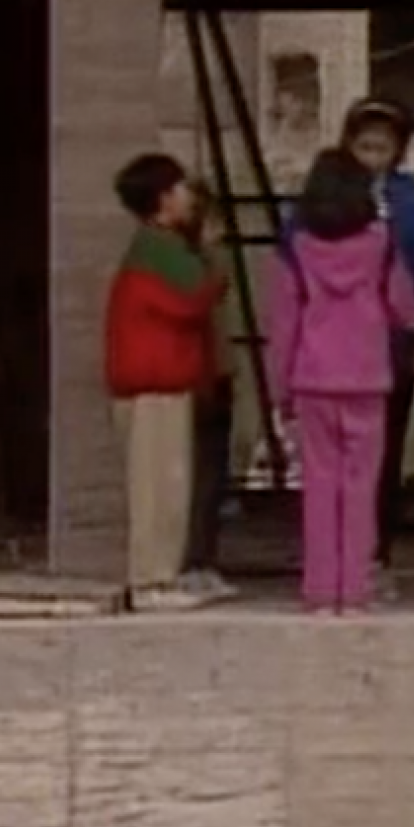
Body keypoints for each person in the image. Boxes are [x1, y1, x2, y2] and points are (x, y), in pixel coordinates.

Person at [263, 147, 414, 614]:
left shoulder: (294, 251)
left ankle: (319, 591)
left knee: (319, 484)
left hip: (313, 376)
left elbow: (283, 324)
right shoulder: (382, 244)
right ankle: (354, 589)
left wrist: (281, 388)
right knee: (361, 486)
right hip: (367, 375)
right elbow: (403, 305)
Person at [336, 97, 414, 597]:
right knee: (338, 460)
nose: (372, 157)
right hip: (338, 347)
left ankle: (376, 551)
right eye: (363, 147)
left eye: (382, 147)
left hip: (394, 348)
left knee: (383, 456)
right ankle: (336, 557)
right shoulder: (328, 197)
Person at [104, 153, 225, 612]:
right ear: (163, 198)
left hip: (152, 381)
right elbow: (194, 297)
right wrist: (211, 254)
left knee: (161, 482)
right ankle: (152, 578)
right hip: (155, 382)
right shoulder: (162, 248)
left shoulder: (152, 245)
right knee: (160, 485)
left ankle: (156, 576)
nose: (188, 197)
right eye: (180, 189)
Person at [176, 185, 243, 600]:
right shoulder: (199, 268)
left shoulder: (204, 265)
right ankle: (195, 559)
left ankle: (202, 557)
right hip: (203, 377)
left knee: (211, 476)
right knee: (202, 475)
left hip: (215, 373)